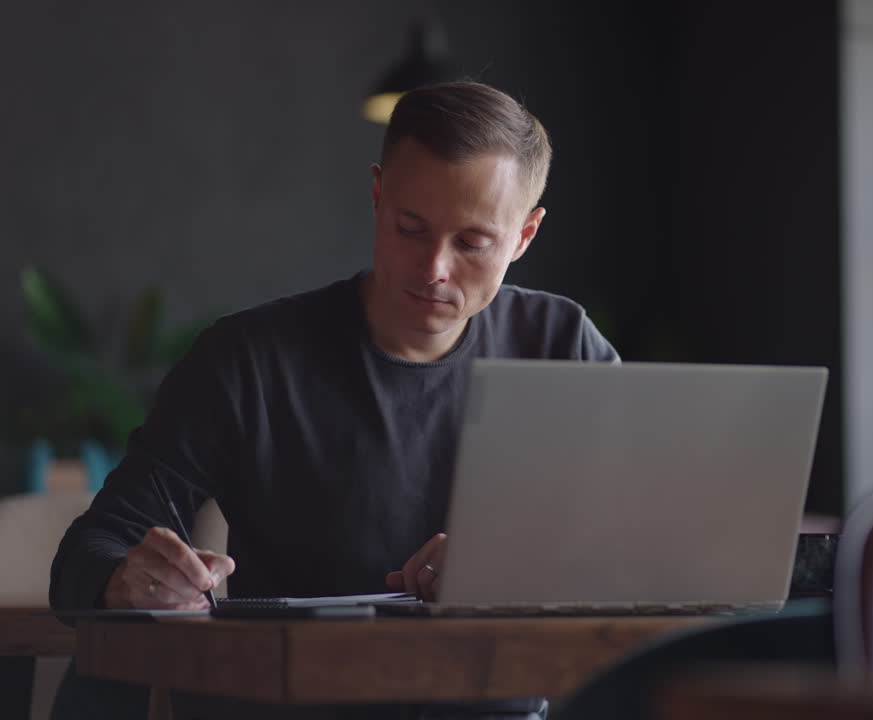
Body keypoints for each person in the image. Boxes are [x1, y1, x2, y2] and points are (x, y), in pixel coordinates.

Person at [48, 81, 619, 720]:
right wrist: (128, 579)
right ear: (377, 196)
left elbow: (646, 542)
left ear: (523, 237)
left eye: (471, 244)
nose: (434, 267)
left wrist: (506, 561)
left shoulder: (560, 344)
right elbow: (95, 545)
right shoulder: (250, 360)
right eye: (411, 227)